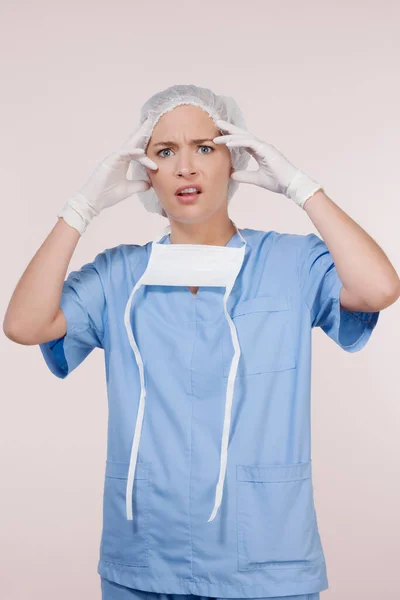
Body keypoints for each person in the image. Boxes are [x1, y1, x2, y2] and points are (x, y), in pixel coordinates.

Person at [3, 84, 399, 600]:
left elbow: (379, 288)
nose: (185, 168)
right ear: (147, 170)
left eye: (205, 148)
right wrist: (81, 209)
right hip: (144, 558)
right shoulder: (119, 274)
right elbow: (24, 325)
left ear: (234, 159)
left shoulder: (291, 263)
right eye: (165, 152)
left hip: (264, 558)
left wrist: (300, 187)